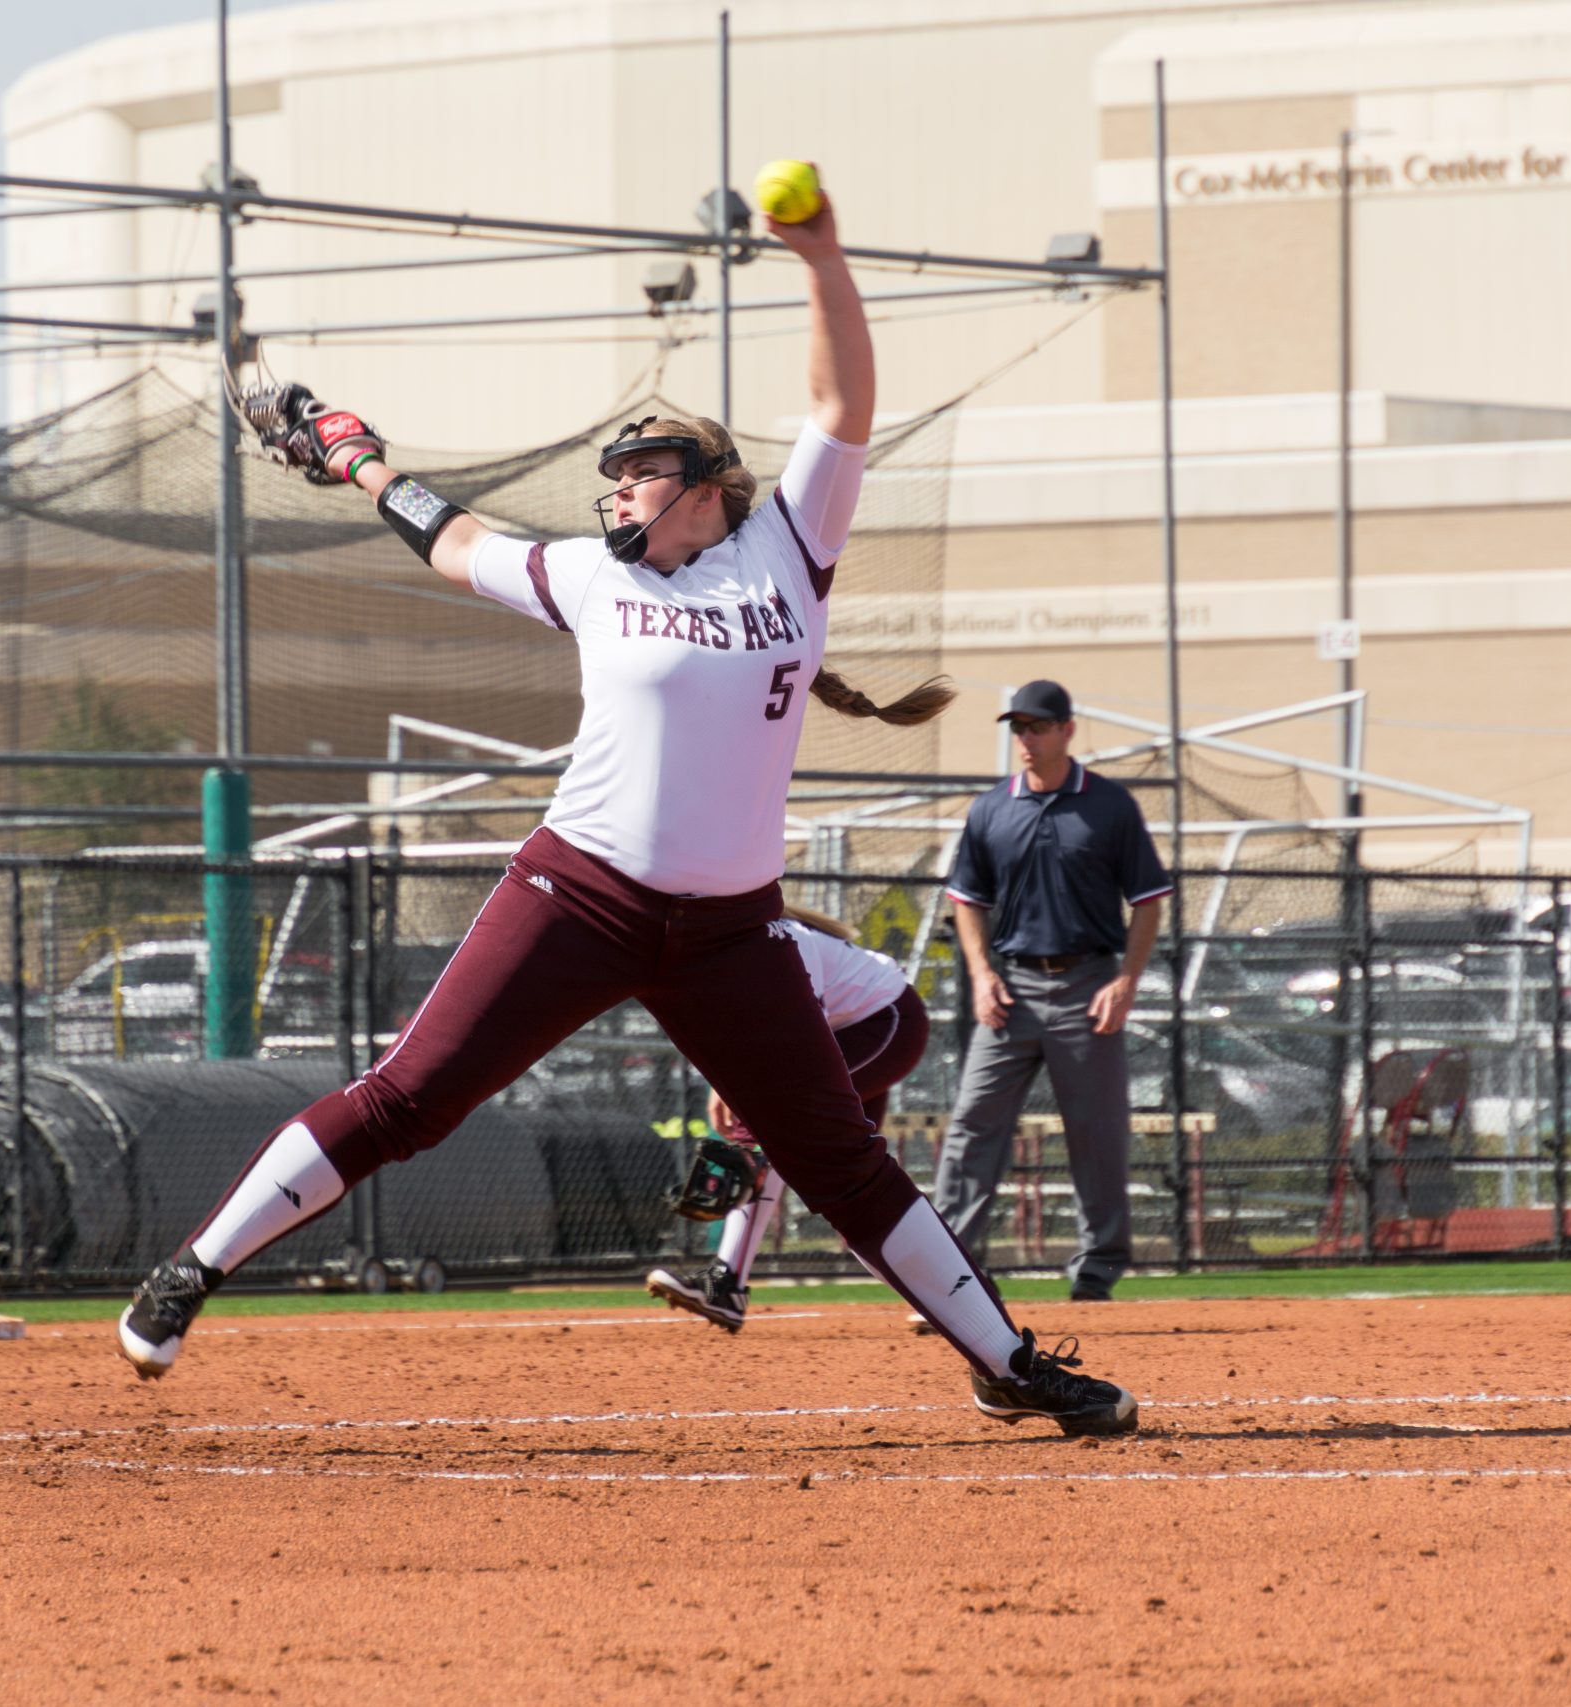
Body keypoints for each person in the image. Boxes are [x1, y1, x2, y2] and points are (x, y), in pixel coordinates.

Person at [117, 193, 1138, 1438]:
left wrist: (819, 258)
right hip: (578, 896)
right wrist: (357, 457)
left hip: (727, 934)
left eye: (641, 472)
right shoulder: (591, 575)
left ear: (706, 486)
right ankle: (190, 1274)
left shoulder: (784, 553)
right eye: (612, 478)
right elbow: (455, 540)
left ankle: (1006, 1362)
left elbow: (841, 408)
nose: (617, 492)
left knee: (841, 1163)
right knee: (411, 1100)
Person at [929, 680, 1170, 1309]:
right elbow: (965, 901)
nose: (1027, 740)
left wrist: (1126, 981)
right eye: (1019, 729)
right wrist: (982, 976)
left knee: (1096, 1133)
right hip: (1011, 990)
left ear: (1068, 729)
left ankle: (1097, 1269)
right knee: (971, 1127)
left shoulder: (1110, 806)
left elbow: (1148, 901)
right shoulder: (989, 810)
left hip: (1089, 984)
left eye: (1038, 727)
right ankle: (950, 1272)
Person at [645, 904, 931, 1331]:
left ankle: (726, 1282)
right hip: (845, 1030)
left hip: (885, 1026)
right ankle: (945, 1293)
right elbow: (727, 1029)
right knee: (851, 1180)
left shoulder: (779, 941)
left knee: (776, 1122)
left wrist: (744, 1110)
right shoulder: (716, 951)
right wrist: (722, 1085)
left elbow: (796, 1037)